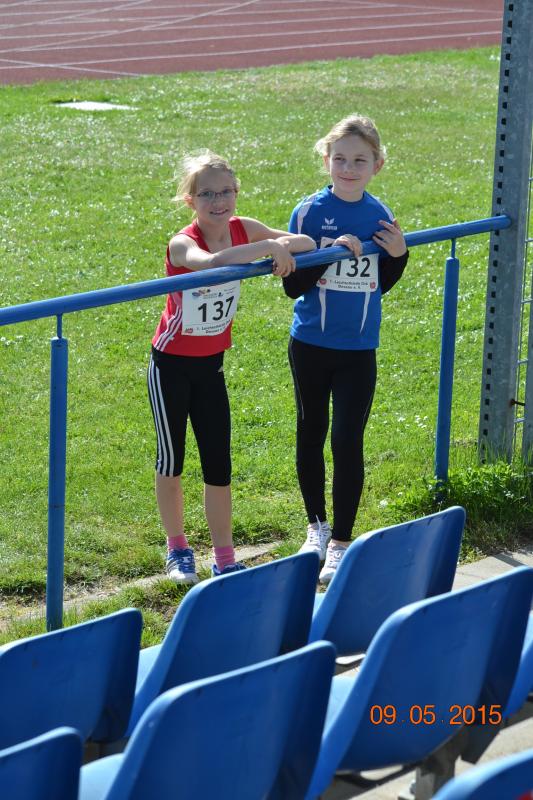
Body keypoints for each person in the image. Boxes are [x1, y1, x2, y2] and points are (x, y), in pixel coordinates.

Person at [148, 151, 316, 584]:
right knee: (172, 460)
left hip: (212, 368)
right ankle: (177, 549)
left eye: (226, 191)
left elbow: (306, 243)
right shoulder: (182, 242)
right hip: (171, 366)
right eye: (206, 194)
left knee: (218, 464)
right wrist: (268, 249)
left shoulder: (245, 228)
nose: (218, 201)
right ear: (190, 200)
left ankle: (225, 557)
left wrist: (278, 245)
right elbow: (210, 263)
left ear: (237, 193)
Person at [283, 115, 409, 584]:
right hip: (310, 344)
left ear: (377, 164)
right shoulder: (307, 213)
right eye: (340, 159)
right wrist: (329, 253)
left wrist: (399, 253)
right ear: (326, 161)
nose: (349, 169)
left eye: (359, 160)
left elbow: (382, 284)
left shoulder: (380, 214)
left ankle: (340, 541)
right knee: (311, 431)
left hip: (358, 349)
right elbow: (292, 287)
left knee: (347, 440)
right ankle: (315, 527)